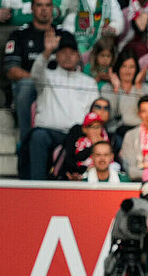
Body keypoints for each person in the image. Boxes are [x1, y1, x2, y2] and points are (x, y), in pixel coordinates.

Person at [22, 31, 99, 180]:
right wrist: (47, 51)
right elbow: (36, 73)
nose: (68, 56)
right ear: (56, 56)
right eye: (63, 52)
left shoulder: (88, 82)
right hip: (50, 132)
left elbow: (93, 113)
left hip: (78, 135)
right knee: (38, 136)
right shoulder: (47, 77)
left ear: (78, 56)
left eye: (72, 52)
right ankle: (36, 186)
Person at [4, 0, 65, 144]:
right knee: (26, 84)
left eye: (47, 5)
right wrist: (38, 80)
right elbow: (11, 70)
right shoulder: (19, 35)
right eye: (39, 5)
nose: (44, 9)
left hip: (59, 87)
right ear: (32, 8)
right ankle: (26, 139)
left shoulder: (64, 35)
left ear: (53, 9)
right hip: (31, 86)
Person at [104, 50, 148, 139]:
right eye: (124, 66)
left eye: (131, 67)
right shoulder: (107, 88)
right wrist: (116, 89)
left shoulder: (145, 88)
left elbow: (146, 114)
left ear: (136, 69)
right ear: (118, 68)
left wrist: (138, 86)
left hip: (140, 132)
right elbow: (110, 115)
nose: (128, 70)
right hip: (116, 133)